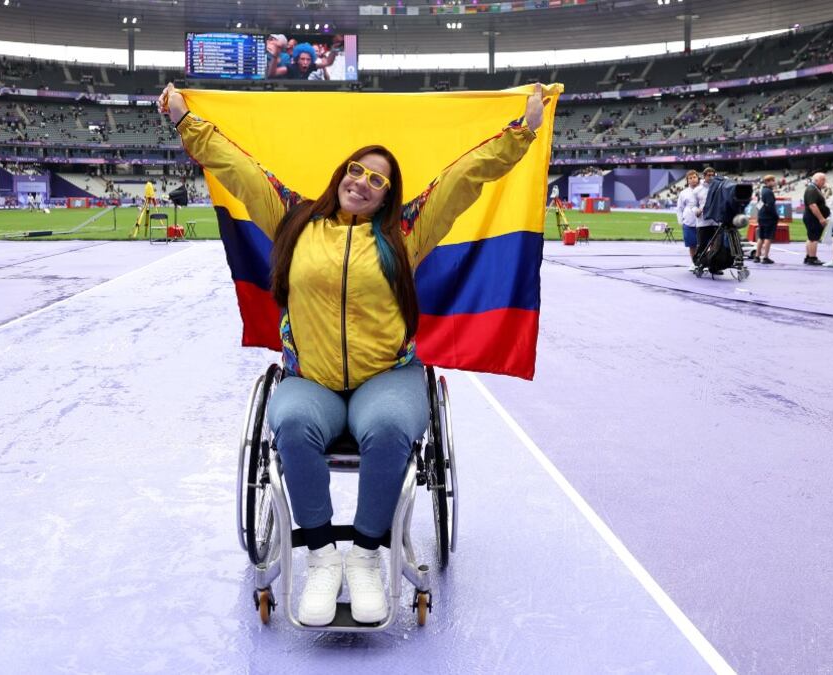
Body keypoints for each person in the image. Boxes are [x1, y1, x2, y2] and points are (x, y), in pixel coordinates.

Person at [159, 82, 548, 625]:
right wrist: (184, 121)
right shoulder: (294, 221)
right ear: (341, 174)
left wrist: (522, 131)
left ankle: (365, 554)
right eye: (356, 171)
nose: (362, 182)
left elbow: (464, 179)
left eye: (377, 179)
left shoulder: (407, 233)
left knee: (390, 427)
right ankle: (321, 557)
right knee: (290, 423)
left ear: (388, 195)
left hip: (385, 377)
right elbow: (240, 171)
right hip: (311, 379)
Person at [693, 167, 720, 273]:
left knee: (717, 246)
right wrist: (697, 210)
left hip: (716, 221)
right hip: (703, 222)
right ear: (704, 176)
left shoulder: (719, 188)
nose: (711, 177)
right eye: (708, 175)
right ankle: (699, 265)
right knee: (702, 246)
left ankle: (714, 267)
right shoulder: (697, 190)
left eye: (713, 175)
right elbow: (693, 205)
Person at [802, 173, 829, 265]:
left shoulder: (814, 189)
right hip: (813, 217)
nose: (824, 182)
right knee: (814, 238)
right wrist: (821, 218)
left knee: (811, 237)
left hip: (811, 217)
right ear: (817, 180)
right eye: (823, 180)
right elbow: (813, 205)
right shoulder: (812, 189)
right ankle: (812, 258)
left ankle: (809, 256)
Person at [676, 169, 700, 267]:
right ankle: (694, 263)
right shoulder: (684, 193)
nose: (693, 179)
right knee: (692, 245)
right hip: (689, 222)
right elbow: (679, 208)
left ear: (698, 178)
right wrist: (681, 221)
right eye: (690, 178)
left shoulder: (704, 190)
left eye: (694, 177)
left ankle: (704, 263)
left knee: (705, 245)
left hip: (703, 223)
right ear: (687, 180)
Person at [754, 175, 779, 264]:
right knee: (768, 237)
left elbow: (758, 204)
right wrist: (776, 216)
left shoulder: (761, 190)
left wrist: (760, 214)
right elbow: (770, 206)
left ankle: (757, 256)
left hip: (762, 216)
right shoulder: (768, 192)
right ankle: (765, 257)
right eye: (773, 180)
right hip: (769, 217)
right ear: (768, 181)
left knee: (761, 237)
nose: (775, 182)